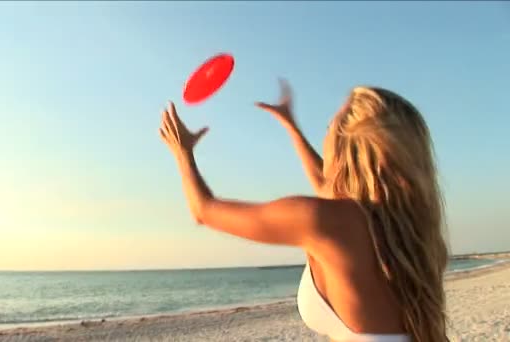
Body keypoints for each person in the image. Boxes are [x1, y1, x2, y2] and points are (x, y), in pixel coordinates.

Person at [158, 80, 449, 342]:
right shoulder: (416, 237)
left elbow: (204, 210)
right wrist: (290, 124)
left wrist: (183, 152)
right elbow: (327, 182)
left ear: (344, 147)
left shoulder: (324, 222)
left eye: (328, 129)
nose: (325, 138)